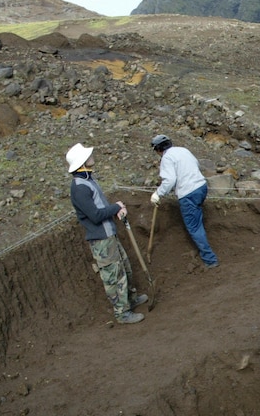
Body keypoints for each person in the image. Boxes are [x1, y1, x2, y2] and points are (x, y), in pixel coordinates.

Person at [67, 143, 149, 325]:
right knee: (114, 276)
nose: (92, 156)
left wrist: (115, 210)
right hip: (101, 241)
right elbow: (95, 216)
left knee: (124, 268)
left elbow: (100, 207)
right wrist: (116, 207)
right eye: (88, 155)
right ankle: (122, 313)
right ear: (82, 162)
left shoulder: (88, 180)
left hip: (109, 235)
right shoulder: (80, 188)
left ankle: (130, 299)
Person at [149, 134, 219, 269]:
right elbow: (196, 164)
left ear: (158, 149)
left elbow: (169, 180)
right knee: (197, 220)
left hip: (188, 193)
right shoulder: (183, 150)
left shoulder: (167, 158)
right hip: (201, 187)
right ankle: (204, 247)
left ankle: (210, 260)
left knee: (194, 227)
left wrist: (158, 194)